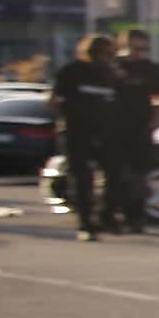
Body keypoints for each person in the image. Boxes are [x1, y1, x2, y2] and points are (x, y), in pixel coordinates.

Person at [52, 33, 119, 237]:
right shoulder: (72, 71)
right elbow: (54, 100)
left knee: (115, 175)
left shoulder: (111, 74)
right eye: (104, 53)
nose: (107, 58)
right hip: (76, 132)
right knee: (82, 178)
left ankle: (106, 215)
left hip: (106, 132)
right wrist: (67, 117)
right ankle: (85, 222)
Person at [106, 28, 159, 233]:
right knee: (114, 175)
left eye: (143, 48)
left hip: (140, 128)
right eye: (135, 47)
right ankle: (111, 215)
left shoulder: (151, 69)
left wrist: (155, 120)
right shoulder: (112, 67)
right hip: (114, 129)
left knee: (138, 176)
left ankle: (136, 217)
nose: (139, 52)